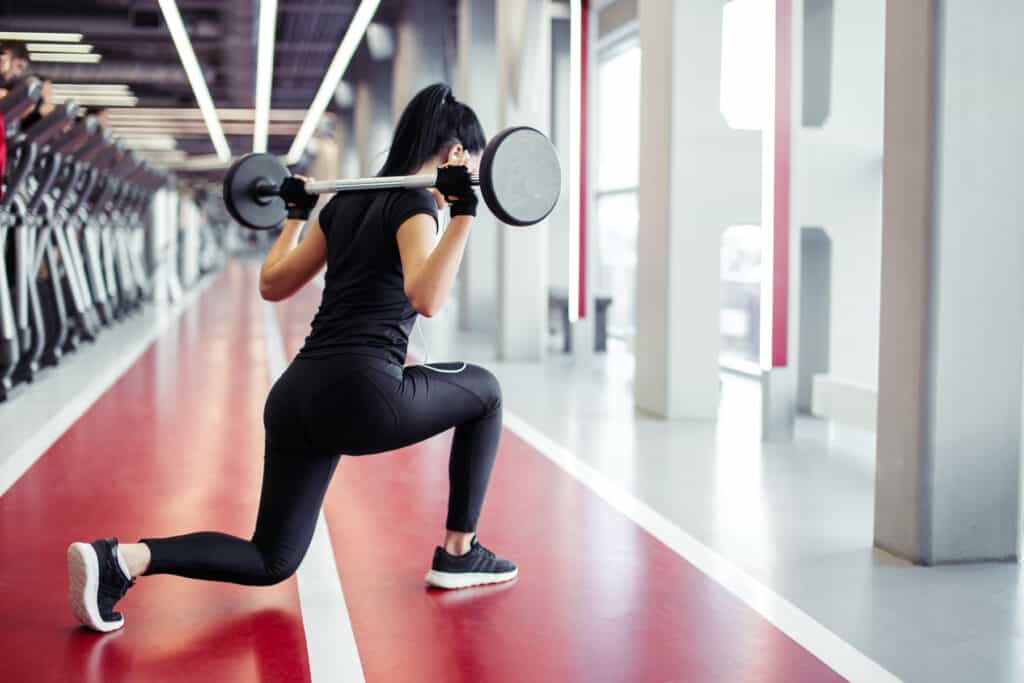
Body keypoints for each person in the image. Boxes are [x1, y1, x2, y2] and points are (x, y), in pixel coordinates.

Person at [67, 83, 518, 633]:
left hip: (296, 396)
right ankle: (459, 551)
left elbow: (273, 282)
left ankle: (121, 559)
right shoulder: (418, 204)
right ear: (456, 155)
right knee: (487, 391)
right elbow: (427, 297)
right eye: (471, 162)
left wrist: (294, 216)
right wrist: (466, 212)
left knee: (271, 560)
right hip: (364, 396)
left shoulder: (347, 201)